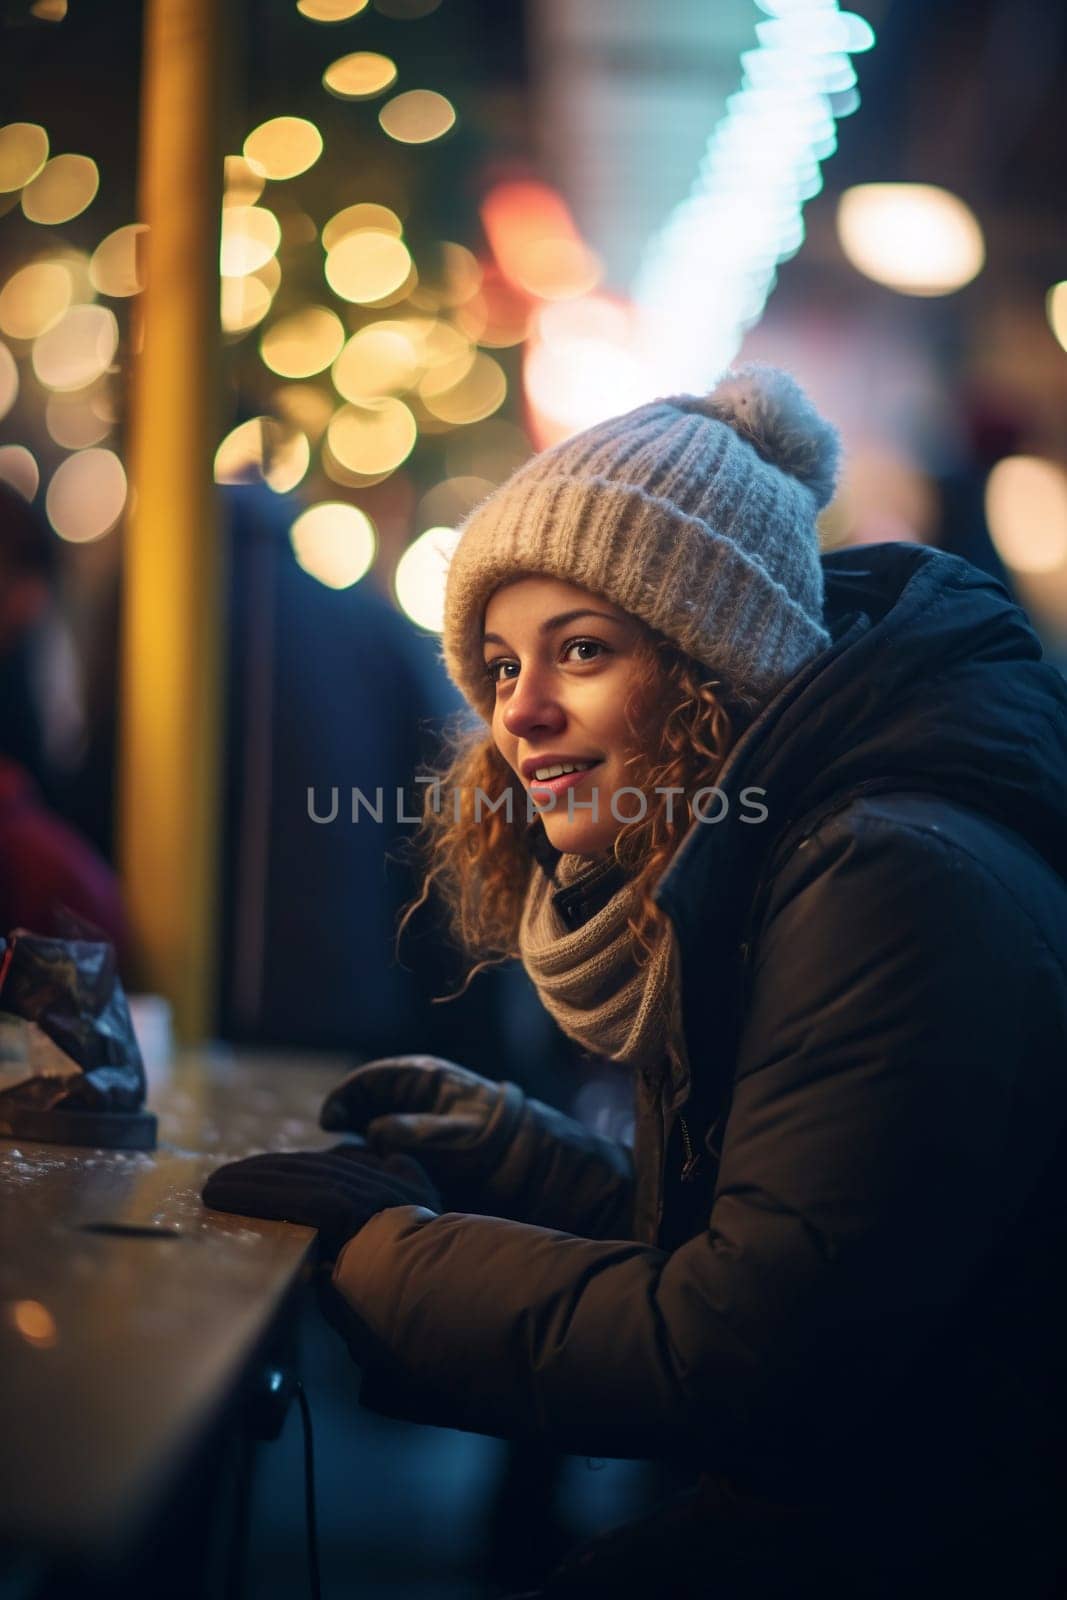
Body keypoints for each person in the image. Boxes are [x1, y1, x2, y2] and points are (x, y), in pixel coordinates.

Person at [202, 366, 1067, 1598]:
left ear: (718, 657)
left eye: (583, 650)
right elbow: (785, 1235)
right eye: (500, 666)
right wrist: (512, 1153)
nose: (523, 713)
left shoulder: (879, 875)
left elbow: (740, 1349)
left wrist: (386, 1257)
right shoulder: (792, 847)